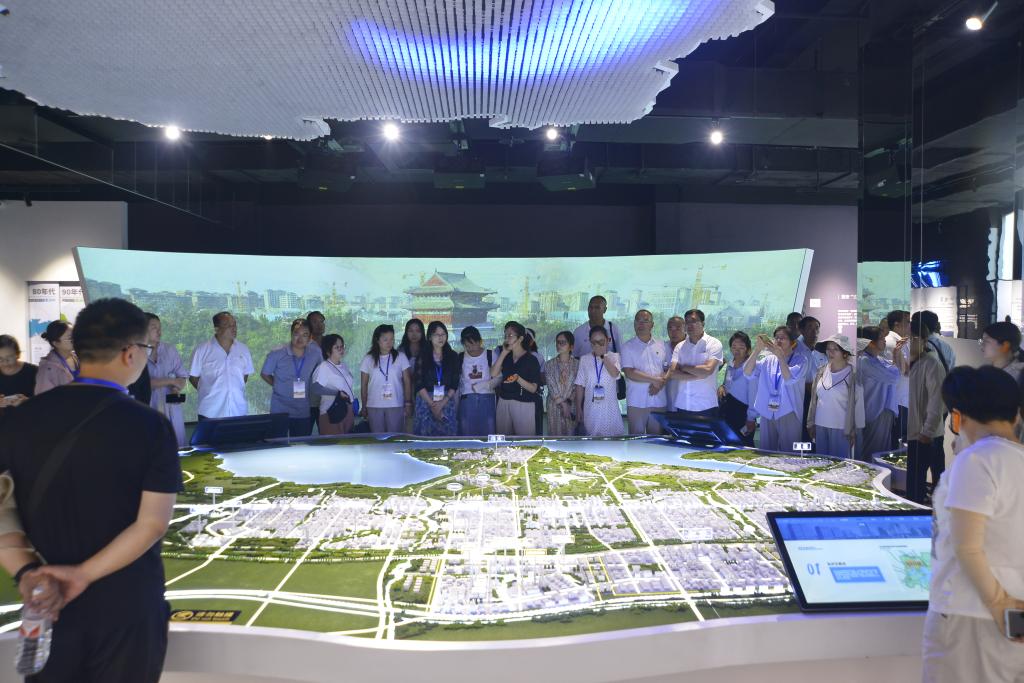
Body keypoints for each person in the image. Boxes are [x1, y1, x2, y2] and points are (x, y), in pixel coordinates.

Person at [0, 297, 181, 682]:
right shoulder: (149, 426)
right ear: (130, 353)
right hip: (127, 606)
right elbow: (151, 524)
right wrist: (81, 575)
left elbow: (3, 512)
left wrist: (27, 572)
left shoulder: (18, 420)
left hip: (47, 604)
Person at [923, 366, 1024, 682]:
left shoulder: (978, 460)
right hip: (1011, 614)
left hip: (970, 613)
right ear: (1016, 415)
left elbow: (966, 546)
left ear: (959, 417)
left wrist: (998, 604)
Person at [744, 326, 808, 453]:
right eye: (776, 337)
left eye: (782, 338)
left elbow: (789, 379)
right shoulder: (768, 360)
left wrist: (780, 357)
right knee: (766, 451)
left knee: (790, 453)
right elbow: (747, 373)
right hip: (767, 411)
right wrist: (757, 350)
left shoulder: (801, 360)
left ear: (792, 342)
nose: (778, 341)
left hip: (789, 411)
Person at [907, 315, 947, 505]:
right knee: (914, 477)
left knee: (923, 474)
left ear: (923, 340)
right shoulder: (910, 362)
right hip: (914, 431)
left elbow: (936, 400)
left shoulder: (931, 363)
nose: (908, 343)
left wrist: (928, 430)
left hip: (924, 433)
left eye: (912, 338)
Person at [260, 318, 322, 437]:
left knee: (301, 444)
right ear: (291, 334)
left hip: (302, 409)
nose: (300, 338)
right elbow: (265, 374)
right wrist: (278, 385)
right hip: (279, 409)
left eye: (305, 335)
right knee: (278, 444)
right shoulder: (277, 352)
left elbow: (321, 372)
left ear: (310, 338)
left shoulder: (315, 353)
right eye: (296, 334)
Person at [188, 312, 254, 419]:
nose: (233, 328)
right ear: (217, 329)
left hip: (238, 411)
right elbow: (193, 377)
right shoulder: (201, 350)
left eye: (234, 324)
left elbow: (244, 376)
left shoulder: (243, 349)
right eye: (228, 325)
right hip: (210, 413)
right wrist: (210, 390)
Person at [665, 309, 723, 418]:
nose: (690, 325)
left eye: (694, 321)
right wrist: (699, 375)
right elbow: (672, 373)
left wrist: (684, 367)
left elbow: (707, 370)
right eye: (687, 322)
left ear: (703, 324)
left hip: (705, 405)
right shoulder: (680, 346)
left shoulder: (714, 344)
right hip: (683, 404)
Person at [806, 334, 857, 459]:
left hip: (842, 429)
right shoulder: (821, 371)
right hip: (820, 425)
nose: (830, 352)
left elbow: (858, 406)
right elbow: (814, 400)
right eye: (828, 348)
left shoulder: (853, 374)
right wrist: (811, 423)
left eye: (835, 349)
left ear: (845, 353)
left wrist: (854, 430)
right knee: (822, 464)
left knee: (839, 466)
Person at [856, 326, 901, 460]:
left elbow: (896, 371)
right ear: (870, 342)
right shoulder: (864, 361)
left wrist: (895, 355)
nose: (885, 340)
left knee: (881, 450)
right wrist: (896, 360)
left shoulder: (879, 359)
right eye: (881, 338)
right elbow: (894, 377)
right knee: (872, 451)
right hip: (874, 410)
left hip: (882, 410)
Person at [143, 314, 187, 448]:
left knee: (177, 448)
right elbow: (141, 384)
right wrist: (170, 381)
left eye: (160, 328)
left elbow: (182, 376)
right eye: (154, 328)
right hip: (148, 409)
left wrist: (177, 387)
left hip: (171, 409)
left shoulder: (169, 350)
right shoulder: (136, 353)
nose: (159, 332)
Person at [621, 310, 668, 434]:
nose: (641, 324)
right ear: (634, 324)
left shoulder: (662, 345)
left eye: (645, 321)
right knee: (636, 441)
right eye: (638, 320)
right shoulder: (627, 347)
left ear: (652, 324)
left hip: (659, 400)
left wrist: (659, 385)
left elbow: (667, 369)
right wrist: (655, 380)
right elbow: (629, 372)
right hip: (637, 401)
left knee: (656, 441)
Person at [360, 324, 412, 433]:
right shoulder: (368, 359)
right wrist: (364, 406)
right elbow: (364, 385)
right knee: (378, 438)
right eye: (385, 339)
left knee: (395, 437)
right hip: (374, 405)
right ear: (377, 340)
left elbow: (407, 381)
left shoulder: (400, 357)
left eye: (392, 339)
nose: (389, 342)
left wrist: (408, 402)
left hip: (396, 404)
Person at [574, 326, 625, 437]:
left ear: (608, 340)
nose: (597, 345)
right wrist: (578, 407)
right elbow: (579, 384)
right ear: (590, 342)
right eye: (594, 342)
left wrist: (602, 355)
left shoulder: (614, 357)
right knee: (592, 439)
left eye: (601, 341)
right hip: (591, 408)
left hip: (609, 408)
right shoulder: (584, 359)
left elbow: (615, 374)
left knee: (612, 440)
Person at [491, 321, 541, 436]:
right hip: (504, 401)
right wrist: (504, 353)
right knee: (503, 439)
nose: (507, 339)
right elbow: (493, 373)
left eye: (510, 335)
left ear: (520, 338)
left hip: (524, 403)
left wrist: (518, 379)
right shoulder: (506, 356)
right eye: (505, 335)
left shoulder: (531, 359)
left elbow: (533, 388)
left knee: (524, 441)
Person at [413, 321, 460, 437]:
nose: (440, 337)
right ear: (430, 337)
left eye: (443, 334)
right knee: (425, 439)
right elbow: (418, 383)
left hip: (446, 401)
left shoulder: (453, 356)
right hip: (426, 401)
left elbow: (455, 383)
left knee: (447, 440)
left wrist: (442, 404)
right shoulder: (422, 356)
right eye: (437, 335)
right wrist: (432, 405)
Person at [311, 334, 355, 435]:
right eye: (336, 347)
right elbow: (315, 388)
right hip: (331, 412)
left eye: (342, 346)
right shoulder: (324, 366)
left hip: (347, 410)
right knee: (334, 442)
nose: (341, 349)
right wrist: (336, 393)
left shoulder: (344, 365)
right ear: (328, 351)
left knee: (347, 442)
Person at [456, 326, 497, 437]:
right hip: (467, 400)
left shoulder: (490, 354)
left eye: (473, 344)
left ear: (480, 341)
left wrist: (483, 385)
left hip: (486, 399)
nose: (471, 349)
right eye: (467, 346)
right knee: (467, 435)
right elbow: (458, 383)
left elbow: (499, 377)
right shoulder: (461, 357)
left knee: (488, 434)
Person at [718, 331, 757, 447]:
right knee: (728, 445)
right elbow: (727, 384)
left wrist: (751, 418)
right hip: (728, 410)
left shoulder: (752, 367)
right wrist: (722, 387)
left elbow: (754, 394)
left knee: (744, 445)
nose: (737, 350)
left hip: (743, 412)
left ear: (748, 349)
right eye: (734, 347)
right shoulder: (730, 364)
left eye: (741, 347)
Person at [795, 316, 827, 441]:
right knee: (803, 432)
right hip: (802, 397)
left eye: (817, 328)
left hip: (817, 397)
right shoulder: (795, 350)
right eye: (810, 328)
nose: (814, 332)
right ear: (801, 330)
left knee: (813, 433)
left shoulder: (819, 352)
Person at [543, 331, 580, 436]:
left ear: (571, 346)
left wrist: (568, 402)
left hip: (571, 405)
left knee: (571, 435)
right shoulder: (549, 364)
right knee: (555, 436)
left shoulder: (578, 364)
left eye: (563, 342)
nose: (559, 345)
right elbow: (551, 386)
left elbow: (578, 386)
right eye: (557, 342)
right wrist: (563, 404)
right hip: (554, 405)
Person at [885, 309, 912, 447]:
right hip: (899, 399)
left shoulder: (901, 341)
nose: (911, 325)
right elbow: (906, 370)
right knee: (897, 439)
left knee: (899, 438)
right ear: (897, 324)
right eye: (908, 322)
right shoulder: (892, 342)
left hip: (902, 398)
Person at [35, 320, 78, 395]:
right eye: (70, 338)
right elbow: (44, 398)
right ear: (56, 343)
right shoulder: (47, 369)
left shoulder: (79, 358)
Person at [0, 334, 37, 415]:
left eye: (9, 357)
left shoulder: (34, 372)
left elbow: (48, 402)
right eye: (0, 359)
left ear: (18, 354)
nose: (5, 362)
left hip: (29, 420)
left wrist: (27, 401)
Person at [980, 321, 1024, 385]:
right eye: (982, 340)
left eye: (987, 341)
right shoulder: (989, 371)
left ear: (1005, 346)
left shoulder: (1017, 377)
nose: (982, 345)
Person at [664, 315, 686, 410]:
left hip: (689, 402)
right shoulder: (662, 347)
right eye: (670, 328)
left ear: (685, 329)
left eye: (677, 328)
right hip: (667, 401)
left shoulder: (693, 346)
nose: (673, 332)